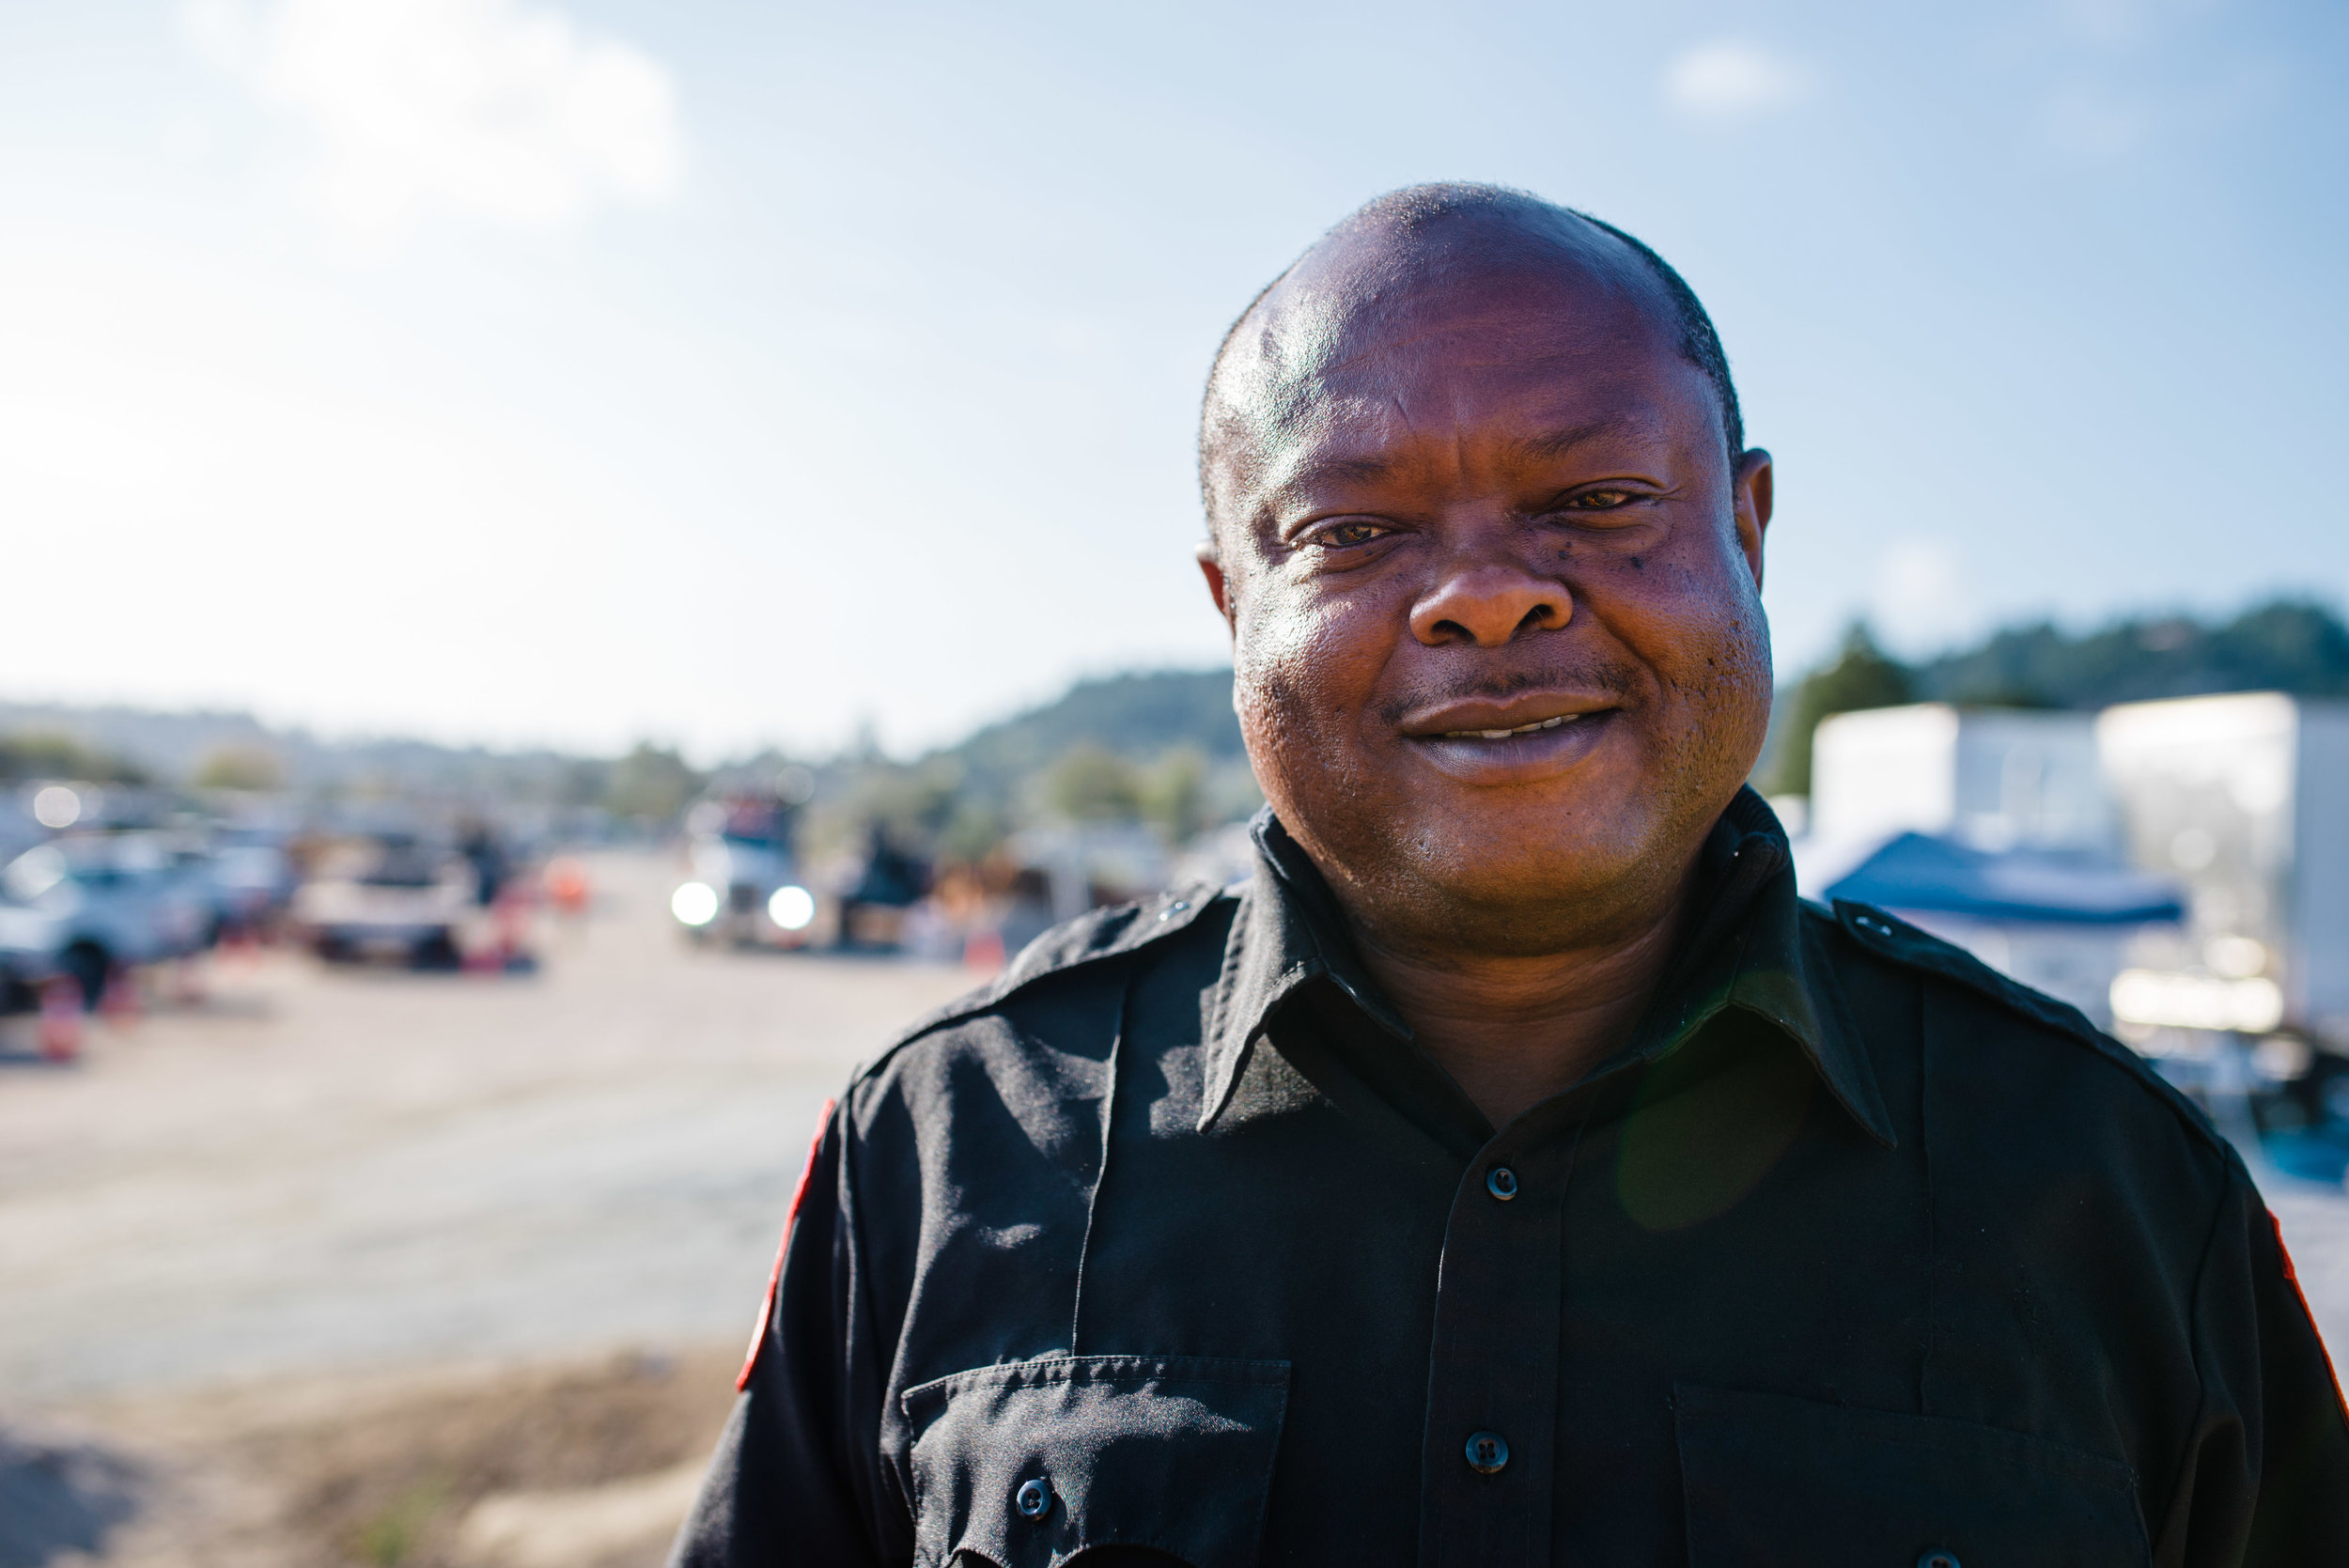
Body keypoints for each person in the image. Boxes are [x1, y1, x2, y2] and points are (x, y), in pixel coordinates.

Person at [671, 184, 2349, 1565]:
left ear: (1748, 537)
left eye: (1600, 497)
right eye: (1351, 530)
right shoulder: (951, 1141)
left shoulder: (2117, 1190)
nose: (1486, 598)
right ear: (1228, 607)